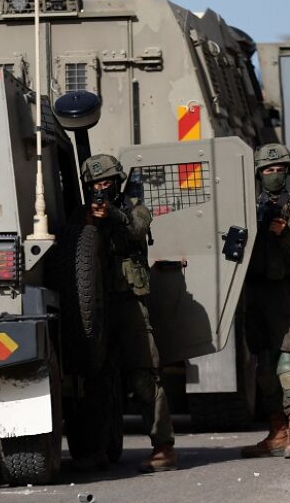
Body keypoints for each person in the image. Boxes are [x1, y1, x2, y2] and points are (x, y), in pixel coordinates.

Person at [80, 154, 177, 472]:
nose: (100, 188)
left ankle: (163, 447)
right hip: (94, 305)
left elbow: (137, 229)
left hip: (130, 302)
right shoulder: (83, 214)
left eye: (106, 182)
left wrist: (113, 215)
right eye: (94, 184)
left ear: (117, 182)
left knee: (144, 376)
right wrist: (91, 220)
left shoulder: (135, 207)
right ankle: (96, 448)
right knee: (97, 378)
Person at [241, 143, 290, 459]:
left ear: (287, 172)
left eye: (278, 169)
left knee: (288, 360)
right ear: (259, 174)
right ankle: (277, 433)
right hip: (254, 291)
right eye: (267, 170)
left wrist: (282, 234)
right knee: (264, 366)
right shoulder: (248, 207)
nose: (273, 174)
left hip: (282, 291)